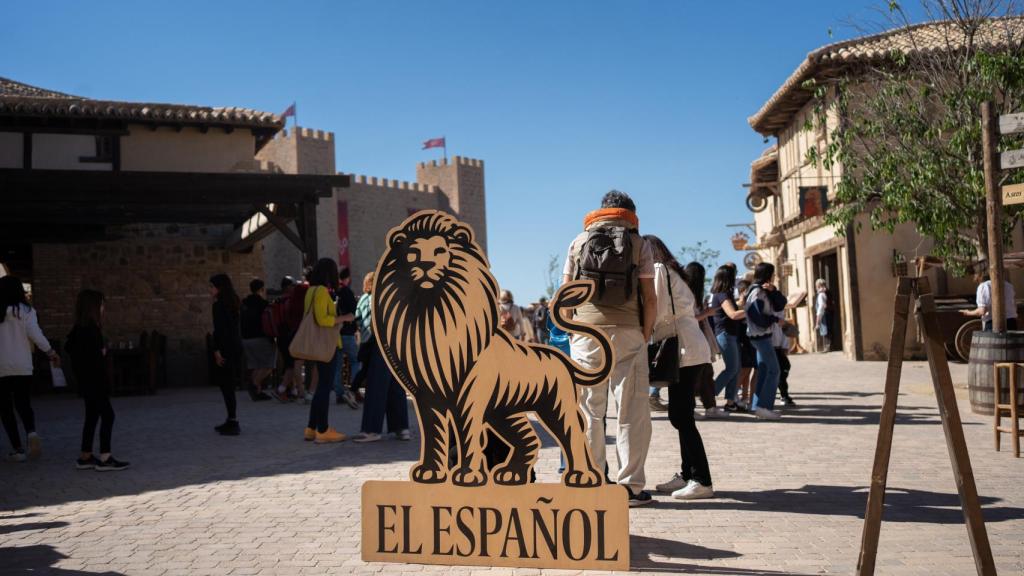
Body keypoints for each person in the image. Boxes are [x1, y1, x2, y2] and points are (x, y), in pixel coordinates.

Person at [562, 189, 657, 506]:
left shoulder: (578, 241)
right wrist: (644, 333)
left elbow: (566, 293)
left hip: (587, 333)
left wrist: (572, 329)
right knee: (631, 411)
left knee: (589, 409)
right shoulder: (639, 244)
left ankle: (591, 478)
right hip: (629, 331)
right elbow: (650, 296)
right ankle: (630, 486)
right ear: (630, 213)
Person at [646, 236, 716, 501]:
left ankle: (702, 479)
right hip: (689, 347)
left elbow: (658, 309)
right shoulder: (674, 271)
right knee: (680, 414)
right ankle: (688, 474)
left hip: (684, 349)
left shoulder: (658, 270)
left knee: (682, 416)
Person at [66, 289, 129, 471]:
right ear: (93, 307)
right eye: (101, 304)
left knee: (92, 416)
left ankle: (85, 456)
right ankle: (105, 457)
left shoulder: (79, 327)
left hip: (85, 381)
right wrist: (100, 353)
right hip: (95, 380)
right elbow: (95, 357)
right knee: (108, 415)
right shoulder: (91, 329)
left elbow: (69, 346)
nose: (103, 308)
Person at [0, 276, 57, 461]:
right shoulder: (26, 311)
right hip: (22, 365)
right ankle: (31, 433)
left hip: (1, 367)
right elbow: (36, 335)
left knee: (5, 408)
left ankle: (17, 449)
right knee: (23, 403)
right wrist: (51, 352)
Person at [352, 272, 410, 443]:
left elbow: (368, 321)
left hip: (380, 342)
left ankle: (371, 429)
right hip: (397, 343)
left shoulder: (376, 296)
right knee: (394, 385)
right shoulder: (398, 292)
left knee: (376, 385)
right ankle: (402, 427)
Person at [301, 258, 352, 444]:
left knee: (322, 386)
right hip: (328, 345)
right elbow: (323, 320)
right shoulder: (322, 292)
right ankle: (323, 429)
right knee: (325, 387)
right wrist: (344, 318)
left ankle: (311, 428)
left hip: (317, 344)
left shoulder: (310, 291)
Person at [744, 263, 787, 420]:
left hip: (761, 336)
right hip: (760, 337)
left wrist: (773, 290)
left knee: (763, 370)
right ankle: (764, 406)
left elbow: (781, 303)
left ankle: (757, 406)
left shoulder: (763, 290)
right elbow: (758, 317)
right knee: (774, 370)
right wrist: (775, 319)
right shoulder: (757, 292)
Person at [210, 274, 243, 435]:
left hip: (225, 349)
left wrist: (216, 350)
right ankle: (232, 418)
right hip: (235, 347)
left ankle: (232, 420)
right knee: (229, 385)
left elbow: (219, 331)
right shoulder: (234, 303)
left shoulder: (218, 306)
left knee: (226, 385)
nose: (211, 290)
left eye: (212, 287)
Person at [710, 265, 745, 413]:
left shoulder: (725, 293)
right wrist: (752, 310)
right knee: (731, 369)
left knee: (735, 369)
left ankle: (730, 402)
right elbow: (732, 314)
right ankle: (709, 396)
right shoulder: (722, 294)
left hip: (730, 334)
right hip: (725, 334)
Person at [240, 279, 275, 402]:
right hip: (260, 337)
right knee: (268, 365)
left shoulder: (243, 303)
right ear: (262, 289)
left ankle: (257, 392)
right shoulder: (263, 304)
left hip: (246, 338)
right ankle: (254, 385)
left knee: (256, 366)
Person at [334, 267, 360, 409]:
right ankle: (352, 390)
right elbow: (354, 312)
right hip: (348, 333)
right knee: (355, 361)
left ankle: (339, 393)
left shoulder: (333, 292)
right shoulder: (347, 292)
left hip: (335, 333)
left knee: (337, 364)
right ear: (347, 278)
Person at [814, 279, 831, 352]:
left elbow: (821, 306)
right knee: (826, 329)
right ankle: (827, 346)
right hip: (826, 313)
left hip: (823, 314)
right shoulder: (825, 293)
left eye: (816, 286)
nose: (816, 287)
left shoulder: (821, 295)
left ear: (819, 286)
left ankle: (827, 346)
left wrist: (818, 319)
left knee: (824, 329)